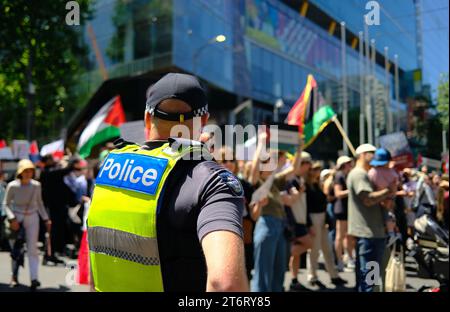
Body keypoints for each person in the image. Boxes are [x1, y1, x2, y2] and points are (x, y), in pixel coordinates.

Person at [87, 73, 248, 292]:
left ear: (146, 118)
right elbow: (226, 286)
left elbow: (95, 266)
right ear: (204, 120)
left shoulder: (112, 167)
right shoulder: (212, 181)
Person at [248, 132, 303, 292]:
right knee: (263, 272)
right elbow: (254, 166)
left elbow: (294, 168)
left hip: (279, 226)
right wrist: (261, 143)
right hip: (266, 225)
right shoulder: (257, 182)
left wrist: (299, 148)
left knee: (279, 272)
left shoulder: (275, 180)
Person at [347, 144, 397, 292]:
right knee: (370, 281)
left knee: (368, 280)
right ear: (362, 154)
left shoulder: (365, 174)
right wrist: (389, 190)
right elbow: (367, 199)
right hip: (369, 234)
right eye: (372, 153)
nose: (375, 156)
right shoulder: (359, 174)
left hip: (371, 233)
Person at [3, 159, 52, 290]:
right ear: (20, 172)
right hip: (16, 218)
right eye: (25, 170)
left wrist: (46, 219)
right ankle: (14, 276)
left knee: (33, 249)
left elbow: (40, 203)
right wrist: (12, 218)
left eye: (30, 170)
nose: (28, 173)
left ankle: (34, 278)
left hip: (32, 217)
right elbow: (6, 204)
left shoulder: (36, 185)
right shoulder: (12, 185)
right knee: (16, 250)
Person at [216, 147, 255, 283]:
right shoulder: (211, 184)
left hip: (245, 234)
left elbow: (254, 216)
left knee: (245, 275)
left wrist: (256, 205)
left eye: (231, 160)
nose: (228, 163)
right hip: (221, 235)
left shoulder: (245, 185)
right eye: (224, 160)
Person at [305, 161, 346, 287]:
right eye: (314, 169)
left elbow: (324, 201)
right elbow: (306, 206)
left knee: (327, 249)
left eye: (318, 169)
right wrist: (309, 223)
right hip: (313, 218)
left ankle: (333, 275)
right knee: (314, 250)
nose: (317, 171)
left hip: (322, 217)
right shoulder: (306, 186)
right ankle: (312, 276)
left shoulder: (317, 184)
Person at [284, 151, 314, 292]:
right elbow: (289, 202)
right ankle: (282, 254)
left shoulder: (299, 179)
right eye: (308, 164)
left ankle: (294, 280)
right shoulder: (291, 179)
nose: (310, 167)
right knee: (309, 243)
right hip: (294, 220)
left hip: (300, 219)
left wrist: (308, 223)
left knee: (296, 255)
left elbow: (304, 203)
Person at [333, 155, 355, 272]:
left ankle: (349, 258)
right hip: (341, 209)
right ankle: (339, 260)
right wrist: (351, 190)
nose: (350, 164)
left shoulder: (348, 175)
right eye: (348, 163)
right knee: (340, 236)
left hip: (348, 208)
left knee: (349, 235)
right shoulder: (339, 175)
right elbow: (338, 193)